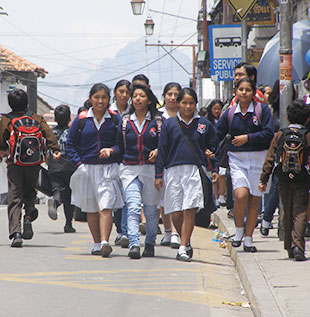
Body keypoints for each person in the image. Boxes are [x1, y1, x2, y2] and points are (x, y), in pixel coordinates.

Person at [155, 88, 219, 262]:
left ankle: (182, 247)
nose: (188, 106)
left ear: (196, 104)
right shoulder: (169, 124)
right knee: (175, 211)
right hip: (173, 171)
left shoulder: (204, 124)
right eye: (184, 103)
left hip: (194, 170)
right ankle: (185, 238)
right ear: (178, 103)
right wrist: (158, 174)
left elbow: (213, 147)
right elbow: (162, 150)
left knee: (189, 209)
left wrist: (214, 168)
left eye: (191, 103)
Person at [216, 78, 274, 252]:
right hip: (237, 159)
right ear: (236, 92)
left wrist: (248, 138)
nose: (244, 93)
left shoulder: (262, 110)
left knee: (255, 198)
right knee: (241, 195)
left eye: (247, 90)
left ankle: (249, 239)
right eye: (240, 89)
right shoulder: (229, 112)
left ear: (253, 92)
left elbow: (268, 133)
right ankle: (239, 231)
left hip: (258, 158)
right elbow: (216, 133)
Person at [103, 84, 161, 259]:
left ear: (149, 99)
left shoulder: (157, 121)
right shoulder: (126, 120)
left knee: (151, 211)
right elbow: (119, 145)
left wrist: (158, 151)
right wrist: (111, 150)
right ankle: (134, 244)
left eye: (141, 96)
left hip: (151, 170)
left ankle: (149, 243)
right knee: (133, 207)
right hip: (129, 169)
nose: (137, 99)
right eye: (134, 96)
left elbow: (165, 145)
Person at [66, 83, 124, 257]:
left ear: (109, 99)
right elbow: (70, 145)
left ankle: (106, 241)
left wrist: (112, 151)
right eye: (97, 97)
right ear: (90, 99)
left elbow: (121, 145)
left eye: (104, 97)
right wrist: (79, 165)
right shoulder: (82, 119)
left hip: (108, 169)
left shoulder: (115, 119)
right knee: (91, 208)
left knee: (106, 206)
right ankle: (97, 243)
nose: (100, 101)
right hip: (86, 169)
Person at [0, 89, 61, 247]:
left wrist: (4, 151)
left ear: (10, 103)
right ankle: (28, 216)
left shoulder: (7, 119)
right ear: (26, 102)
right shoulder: (36, 118)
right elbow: (49, 135)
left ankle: (16, 233)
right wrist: (55, 149)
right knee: (30, 191)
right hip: (34, 163)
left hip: (14, 163)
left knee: (15, 196)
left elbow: (1, 139)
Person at [259, 100, 310, 261]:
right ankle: (299, 247)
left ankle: (289, 246)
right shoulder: (307, 135)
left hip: (283, 179)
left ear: (287, 117)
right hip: (302, 179)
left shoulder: (280, 134)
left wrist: (264, 178)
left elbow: (270, 158)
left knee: (286, 211)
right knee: (300, 212)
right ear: (307, 119)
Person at [157, 82, 182, 249]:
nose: (172, 98)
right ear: (164, 97)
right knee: (163, 199)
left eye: (175, 94)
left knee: (176, 198)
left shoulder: (185, 114)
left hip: (178, 161)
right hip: (160, 162)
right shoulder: (157, 116)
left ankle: (175, 233)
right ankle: (167, 231)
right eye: (169, 94)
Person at [47, 104, 76, 233]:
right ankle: (68, 224)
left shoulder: (50, 132)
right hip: (69, 165)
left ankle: (56, 201)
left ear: (55, 118)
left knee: (57, 189)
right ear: (69, 118)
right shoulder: (72, 132)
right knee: (69, 195)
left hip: (54, 165)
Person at [109, 79, 131, 248]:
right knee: (113, 200)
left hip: (130, 161)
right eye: (121, 91)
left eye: (127, 92)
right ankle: (120, 230)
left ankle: (124, 232)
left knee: (126, 199)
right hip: (110, 161)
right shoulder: (109, 112)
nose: (124, 95)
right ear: (115, 93)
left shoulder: (134, 112)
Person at [206, 99, 226, 208]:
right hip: (212, 150)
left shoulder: (224, 119)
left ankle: (222, 195)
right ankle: (215, 197)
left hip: (223, 149)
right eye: (215, 109)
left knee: (222, 174)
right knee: (213, 175)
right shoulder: (207, 122)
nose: (217, 111)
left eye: (219, 109)